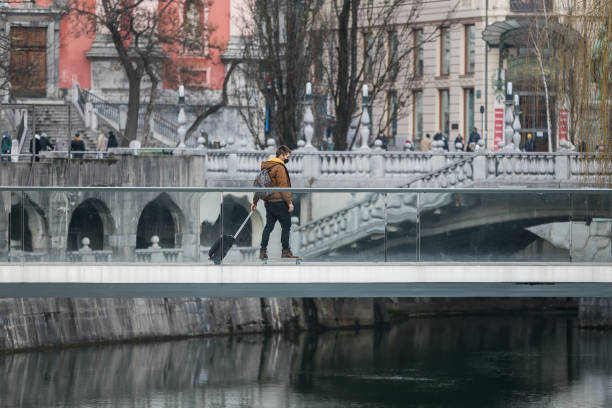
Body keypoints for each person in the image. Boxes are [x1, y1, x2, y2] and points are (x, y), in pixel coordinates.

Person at [250, 145, 299, 260]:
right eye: (287, 156)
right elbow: (283, 187)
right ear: (281, 155)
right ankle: (285, 251)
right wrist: (289, 202)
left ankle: (263, 251)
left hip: (269, 203)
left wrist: (255, 202)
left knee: (268, 227)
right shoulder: (279, 167)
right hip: (280, 202)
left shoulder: (267, 167)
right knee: (286, 225)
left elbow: (260, 186)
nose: (288, 159)